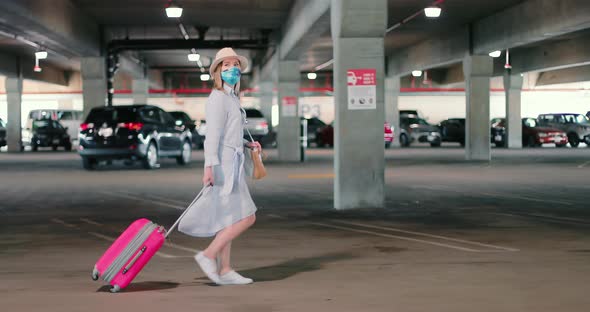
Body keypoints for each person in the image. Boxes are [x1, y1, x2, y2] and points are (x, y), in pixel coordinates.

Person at [179, 47, 260, 285]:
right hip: (223, 166)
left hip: (232, 161)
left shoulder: (231, 98)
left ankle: (224, 270)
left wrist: (248, 144)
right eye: (226, 65)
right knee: (247, 217)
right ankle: (208, 255)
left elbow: (230, 133)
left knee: (229, 217)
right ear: (217, 71)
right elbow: (212, 136)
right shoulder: (217, 98)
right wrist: (209, 167)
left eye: (235, 65)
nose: (232, 69)